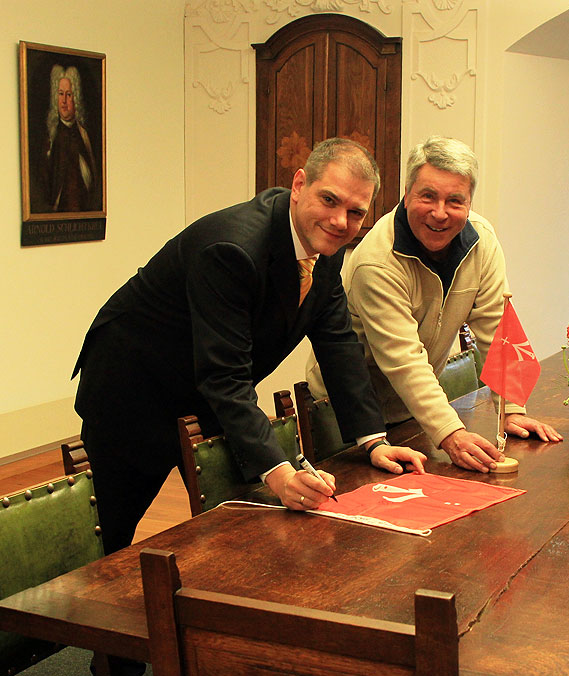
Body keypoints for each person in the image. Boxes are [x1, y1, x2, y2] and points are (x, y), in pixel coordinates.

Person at [73, 137, 426, 558]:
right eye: (329, 200)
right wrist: (279, 474)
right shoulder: (232, 248)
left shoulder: (326, 249)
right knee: (106, 545)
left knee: (237, 530)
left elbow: (337, 343)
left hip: (207, 391)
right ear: (299, 185)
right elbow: (225, 377)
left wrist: (374, 440)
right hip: (134, 389)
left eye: (355, 212)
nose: (339, 220)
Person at [306, 136, 562, 473]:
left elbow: (498, 330)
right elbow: (405, 361)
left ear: (469, 203)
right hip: (346, 419)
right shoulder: (377, 262)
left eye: (455, 200)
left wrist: (513, 408)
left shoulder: (482, 242)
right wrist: (452, 434)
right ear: (407, 193)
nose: (440, 213)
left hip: (414, 413)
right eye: (428, 196)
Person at [43, 64, 100, 212]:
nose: (64, 101)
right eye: (61, 94)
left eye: (69, 95)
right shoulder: (51, 137)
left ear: (76, 98)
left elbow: (91, 178)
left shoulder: (83, 135)